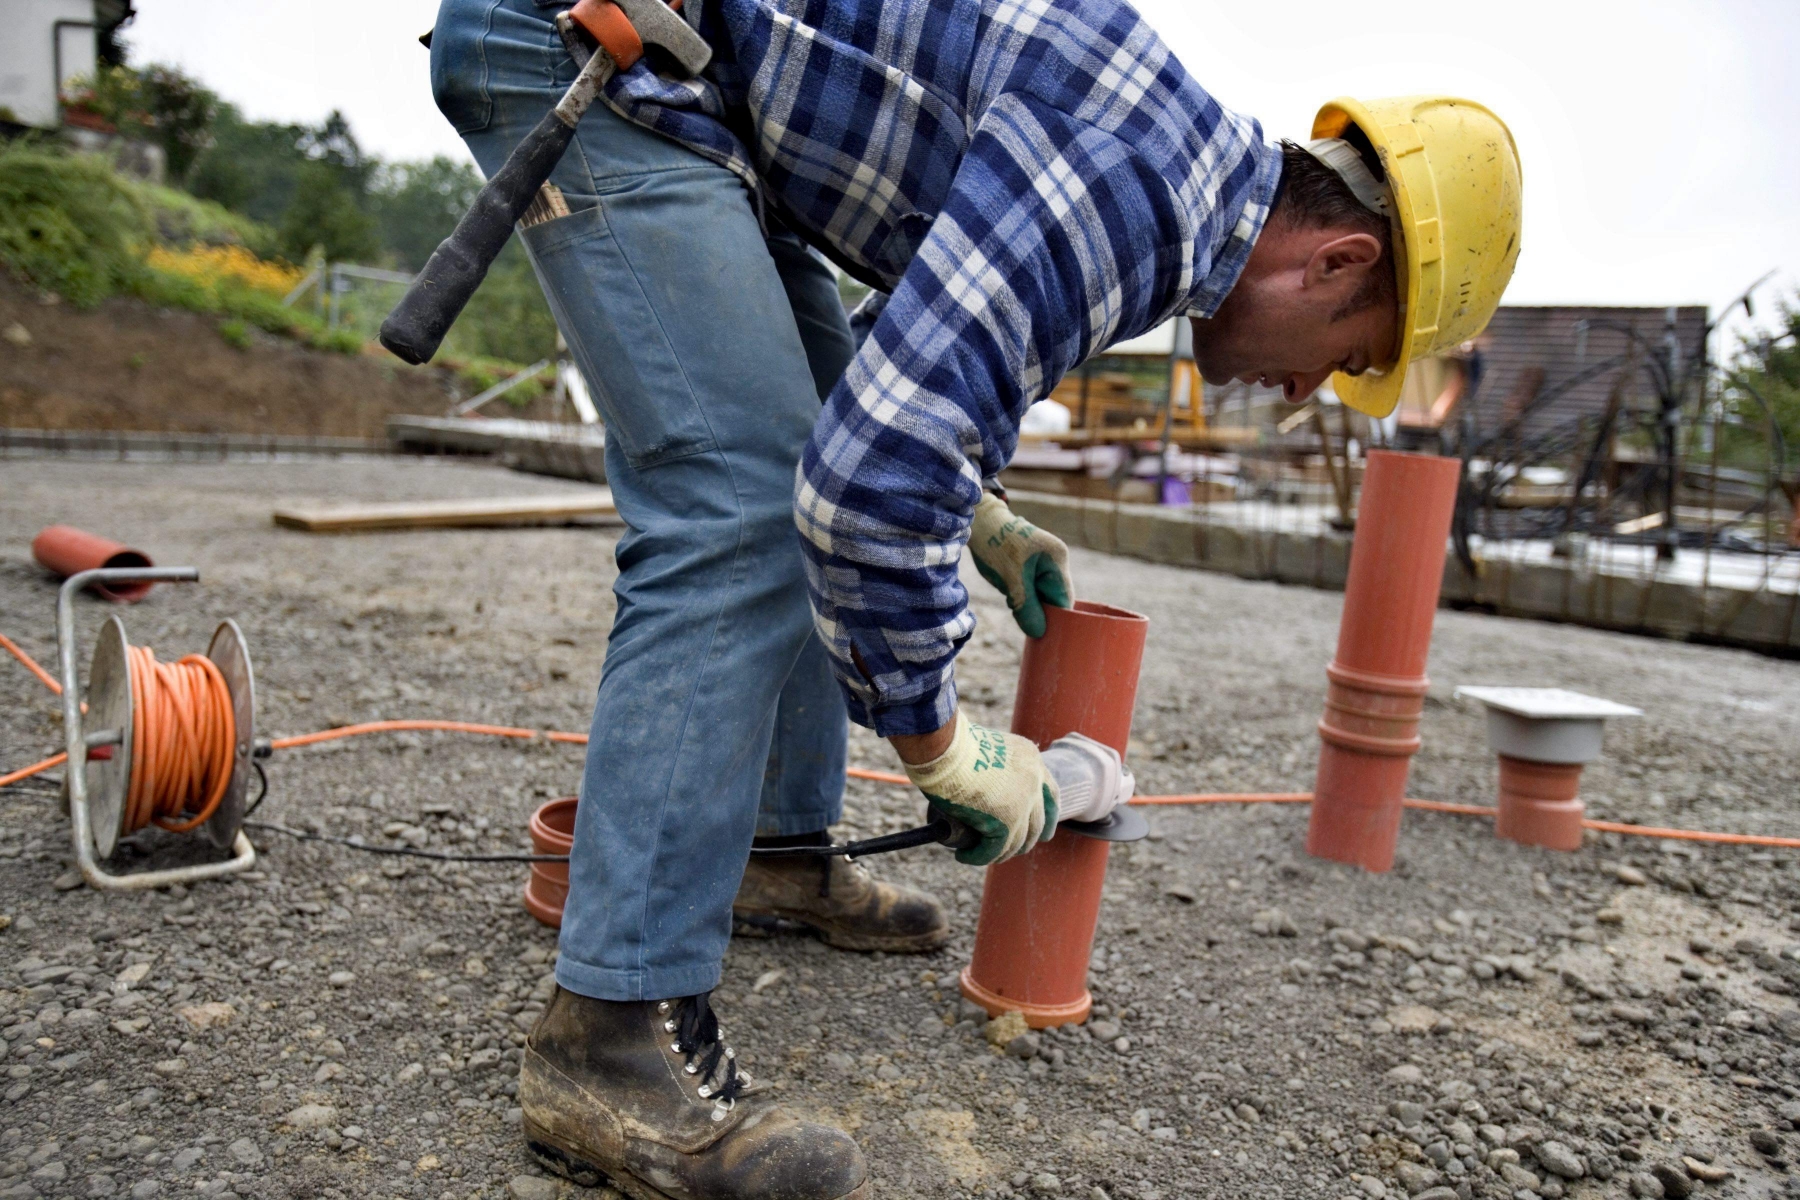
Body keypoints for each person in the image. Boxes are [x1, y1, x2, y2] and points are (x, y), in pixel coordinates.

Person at [428, 1, 1521, 1196]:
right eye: (1349, 355)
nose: (1309, 390)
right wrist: (946, 751)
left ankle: (773, 853)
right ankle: (612, 1037)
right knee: (740, 512)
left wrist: (983, 518)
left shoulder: (1166, 174)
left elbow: (898, 371)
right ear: (1341, 259)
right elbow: (862, 488)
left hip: (703, 98)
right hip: (602, 45)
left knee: (783, 459)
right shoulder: (1136, 198)